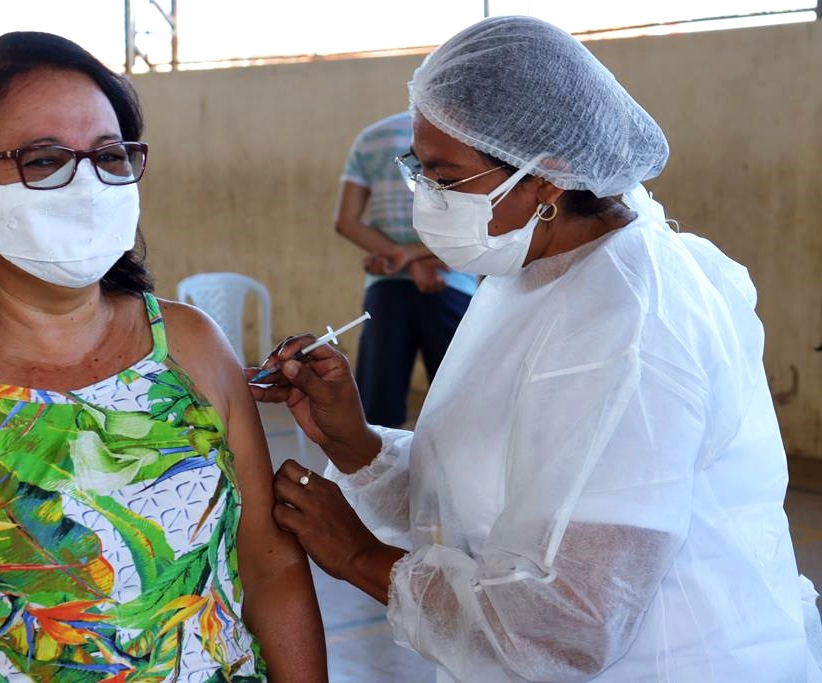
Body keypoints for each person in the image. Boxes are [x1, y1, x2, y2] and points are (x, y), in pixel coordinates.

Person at [250, 16, 822, 682]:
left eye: (443, 176)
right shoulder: (533, 270)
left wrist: (356, 557)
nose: (423, 198)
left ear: (546, 175)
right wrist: (357, 445)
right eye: (418, 168)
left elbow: (566, 625)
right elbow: (485, 503)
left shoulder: (631, 330)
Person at [0, 32, 327, 681]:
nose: (87, 185)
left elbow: (270, 568)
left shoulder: (191, 349)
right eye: (44, 160)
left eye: (109, 156)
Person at [335, 111, 477, 427]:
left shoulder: (371, 137)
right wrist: (418, 259)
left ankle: (380, 476)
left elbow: (346, 221)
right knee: (463, 405)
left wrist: (402, 257)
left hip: (385, 280)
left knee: (377, 415)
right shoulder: (463, 134)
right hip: (451, 278)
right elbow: (479, 218)